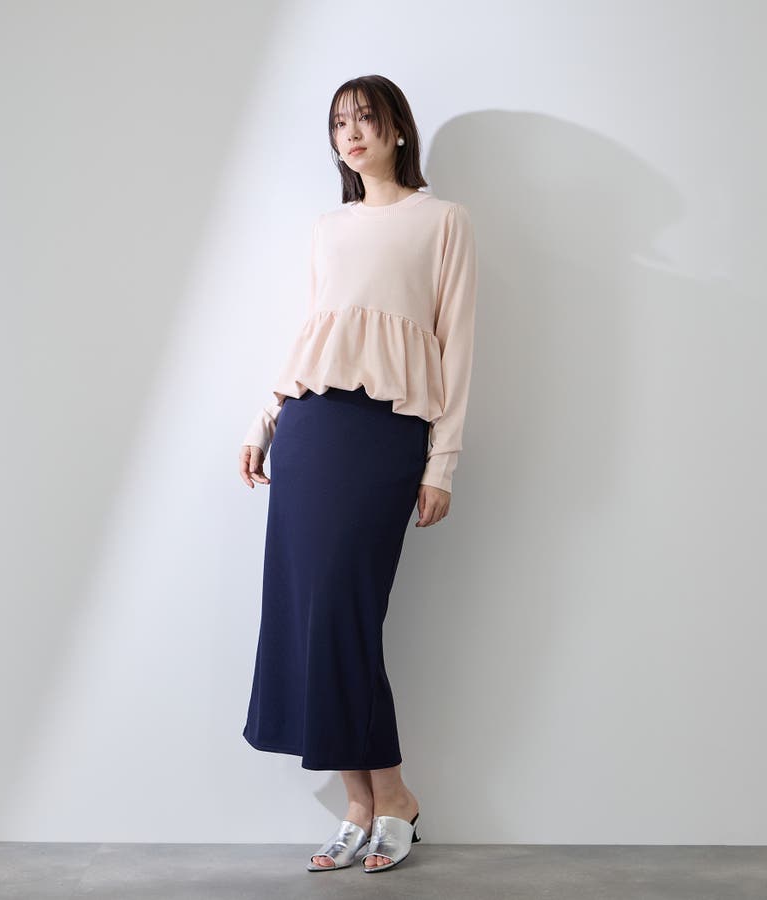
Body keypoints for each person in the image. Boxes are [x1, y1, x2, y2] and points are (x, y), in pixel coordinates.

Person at [238, 74, 478, 873]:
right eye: (339, 122)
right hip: (310, 427)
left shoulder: (443, 221)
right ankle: (361, 802)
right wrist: (265, 420)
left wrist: (443, 462)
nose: (351, 133)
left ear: (397, 129)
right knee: (309, 614)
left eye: (366, 118)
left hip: (386, 433)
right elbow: (313, 333)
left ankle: (395, 795)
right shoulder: (328, 228)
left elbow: (457, 347)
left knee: (347, 613)